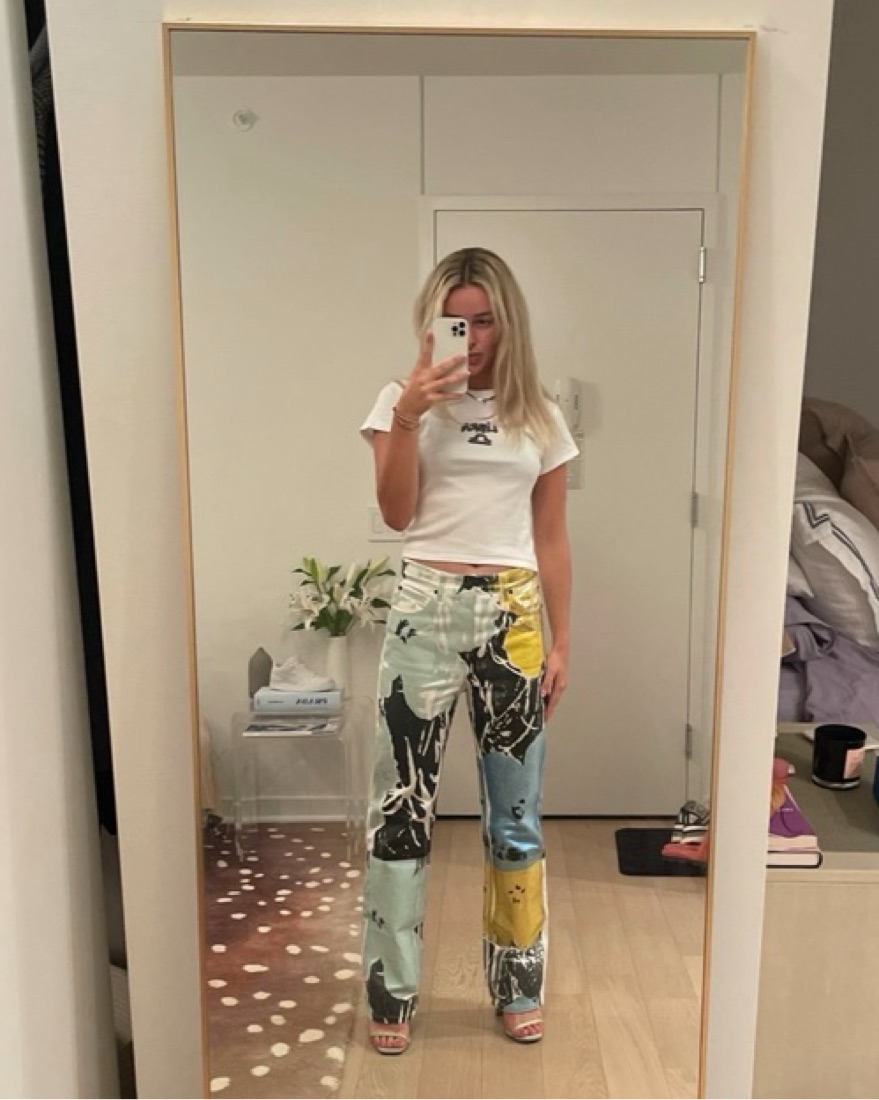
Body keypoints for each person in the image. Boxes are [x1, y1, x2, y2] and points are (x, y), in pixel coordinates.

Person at [358, 246, 579, 1055]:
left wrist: (561, 640)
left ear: (507, 322)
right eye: (457, 321)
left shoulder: (540, 415)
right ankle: (390, 990)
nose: (473, 337)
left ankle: (518, 985)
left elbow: (550, 537)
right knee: (400, 810)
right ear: (432, 324)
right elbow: (396, 514)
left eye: (485, 321)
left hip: (513, 617)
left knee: (515, 819)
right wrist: (409, 416)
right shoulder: (399, 401)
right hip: (424, 604)